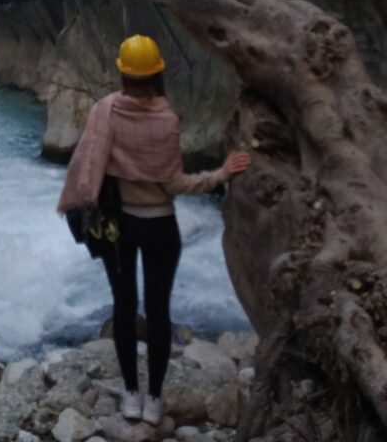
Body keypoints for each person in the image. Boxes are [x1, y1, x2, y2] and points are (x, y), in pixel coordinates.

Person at [57, 34, 250, 427]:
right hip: (162, 227)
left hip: (119, 229)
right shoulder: (166, 120)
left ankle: (130, 394)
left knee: (124, 308)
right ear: (159, 72)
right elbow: (176, 184)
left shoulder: (105, 111)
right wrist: (221, 174)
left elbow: (89, 166)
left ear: (123, 73)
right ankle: (156, 399)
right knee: (159, 312)